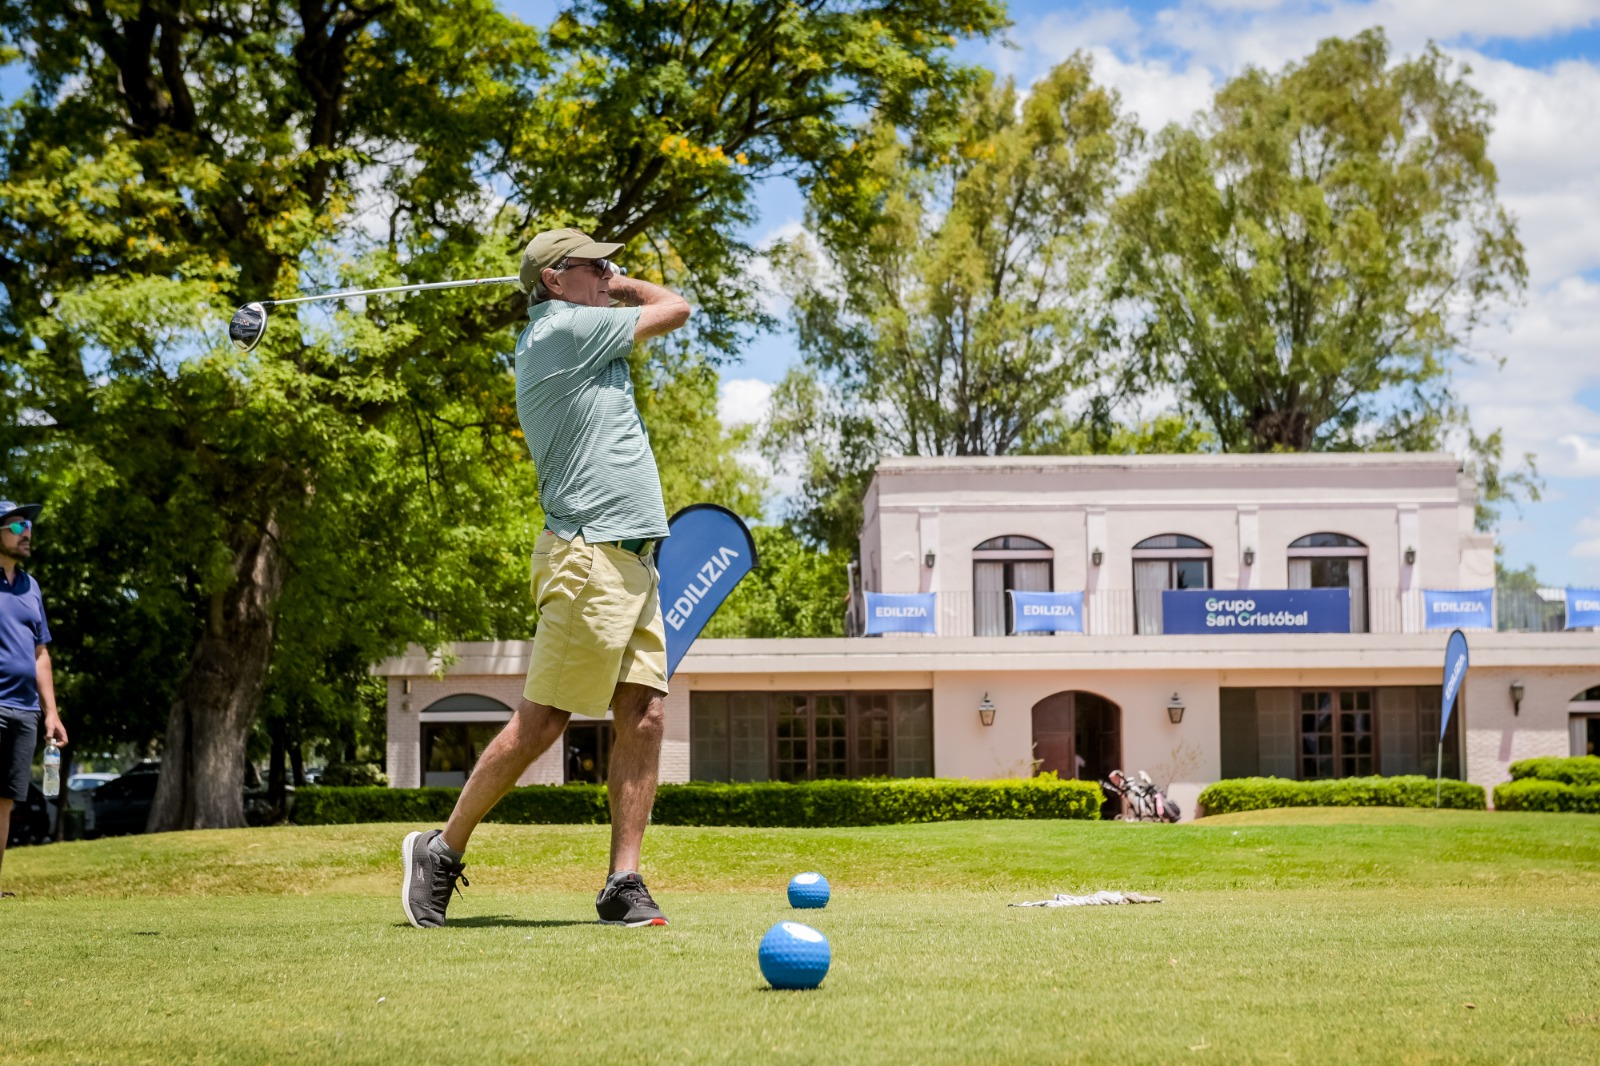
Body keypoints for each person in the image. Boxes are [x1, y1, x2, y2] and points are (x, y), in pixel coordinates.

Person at [401, 228, 691, 929]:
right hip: (588, 553)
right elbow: (676, 306)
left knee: (644, 716)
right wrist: (623, 286)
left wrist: (604, 279)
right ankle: (439, 850)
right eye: (595, 264)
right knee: (544, 722)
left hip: (633, 561)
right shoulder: (562, 330)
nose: (609, 271)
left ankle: (624, 881)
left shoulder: (579, 329)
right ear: (556, 280)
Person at [0, 500, 67, 894]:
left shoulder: (31, 586)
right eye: (17, 524)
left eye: (30, 525)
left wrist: (51, 714)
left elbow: (41, 653)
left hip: (24, 710)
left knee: (5, 800)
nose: (28, 532)